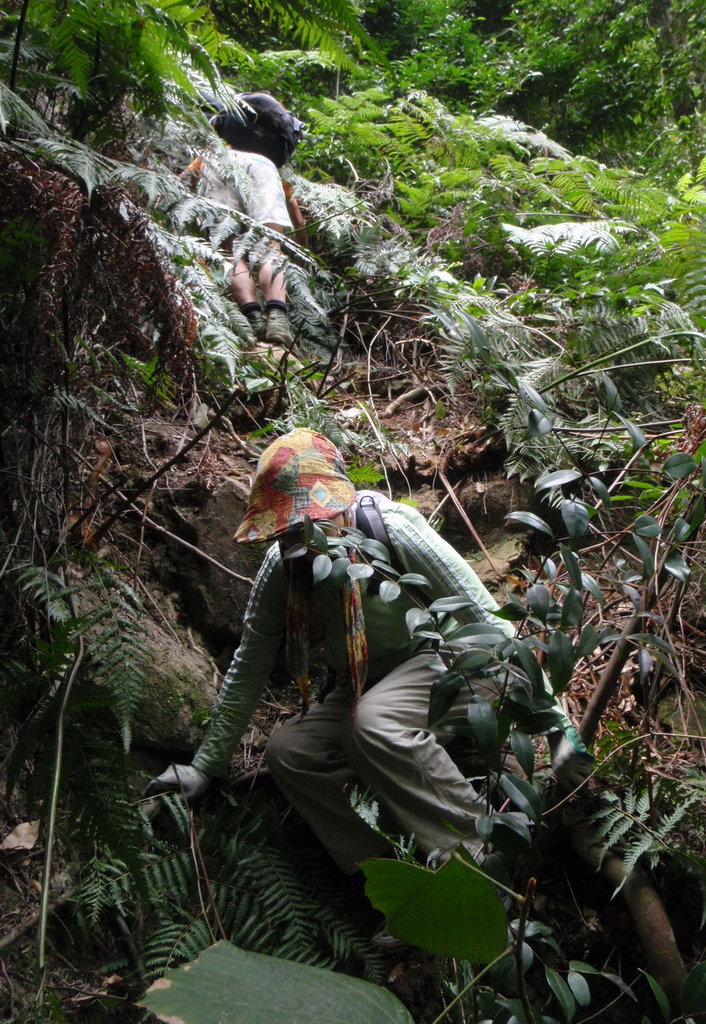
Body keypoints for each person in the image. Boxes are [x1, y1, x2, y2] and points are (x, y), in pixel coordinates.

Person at [147, 428, 592, 876]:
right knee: (292, 751)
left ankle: (482, 859)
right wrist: (205, 767)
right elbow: (251, 660)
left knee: (373, 722)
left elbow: (485, 618)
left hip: (453, 660)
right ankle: (392, 872)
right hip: (367, 680)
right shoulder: (283, 567)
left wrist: (557, 726)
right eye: (288, 529)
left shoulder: (391, 529)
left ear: (341, 504)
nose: (302, 539)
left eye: (313, 520)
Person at [185, 92, 306, 352]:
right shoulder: (270, 160)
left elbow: (185, 177)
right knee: (270, 248)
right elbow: (294, 211)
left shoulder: (213, 152)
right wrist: (301, 236)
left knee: (230, 252)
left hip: (218, 167)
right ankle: (277, 319)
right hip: (262, 169)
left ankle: (252, 318)